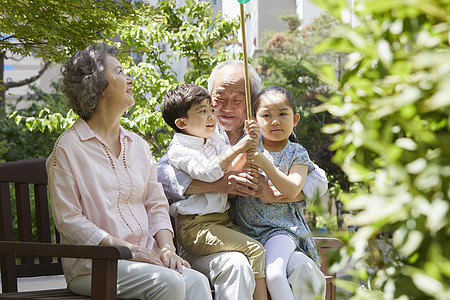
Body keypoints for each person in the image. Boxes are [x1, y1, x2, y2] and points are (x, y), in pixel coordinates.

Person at [46, 43, 212, 300]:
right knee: (168, 282)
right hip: (95, 266)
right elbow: (69, 219)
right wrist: (126, 249)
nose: (130, 78)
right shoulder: (68, 148)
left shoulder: (138, 146)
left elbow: (156, 205)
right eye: (120, 71)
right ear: (97, 86)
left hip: (147, 259)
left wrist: (167, 248)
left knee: (196, 282)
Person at [157, 60, 328, 300]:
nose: (226, 107)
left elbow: (317, 176)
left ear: (252, 104)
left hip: (267, 235)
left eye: (238, 100)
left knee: (304, 268)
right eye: (218, 99)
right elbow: (161, 174)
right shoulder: (201, 132)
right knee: (239, 264)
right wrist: (216, 184)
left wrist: (283, 193)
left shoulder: (266, 133)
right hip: (215, 235)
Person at [160, 83, 268, 300]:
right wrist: (241, 146)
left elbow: (230, 168)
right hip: (196, 226)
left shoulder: (214, 139)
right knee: (255, 250)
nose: (212, 116)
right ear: (181, 122)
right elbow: (209, 172)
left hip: (220, 222)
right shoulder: (180, 150)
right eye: (203, 111)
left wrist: (251, 141)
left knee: (252, 253)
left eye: (211, 109)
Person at [231, 86, 324, 300]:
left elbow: (292, 188)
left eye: (283, 114)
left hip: (280, 230)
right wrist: (246, 146)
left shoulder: (296, 152)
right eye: (266, 115)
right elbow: (228, 174)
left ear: (295, 119)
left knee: (274, 274)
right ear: (253, 120)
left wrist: (266, 164)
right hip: (245, 232)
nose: (275, 121)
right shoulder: (249, 147)